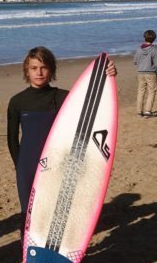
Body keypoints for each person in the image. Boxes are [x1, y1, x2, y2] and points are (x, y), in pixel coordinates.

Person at [7, 47, 116, 218]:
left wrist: (108, 75)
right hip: (27, 164)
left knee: (55, 211)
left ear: (51, 70)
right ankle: (27, 245)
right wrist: (19, 165)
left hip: (58, 162)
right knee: (28, 211)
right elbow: (12, 139)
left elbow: (93, 101)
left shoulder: (63, 97)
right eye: (34, 68)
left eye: (44, 67)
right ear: (27, 71)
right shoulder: (17, 101)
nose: (39, 72)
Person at [133, 29, 157, 117]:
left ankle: (139, 111)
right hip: (150, 73)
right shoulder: (154, 50)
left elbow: (135, 62)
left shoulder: (139, 49)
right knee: (151, 91)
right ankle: (147, 111)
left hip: (141, 72)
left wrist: (142, 62)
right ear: (154, 39)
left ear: (144, 37)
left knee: (141, 91)